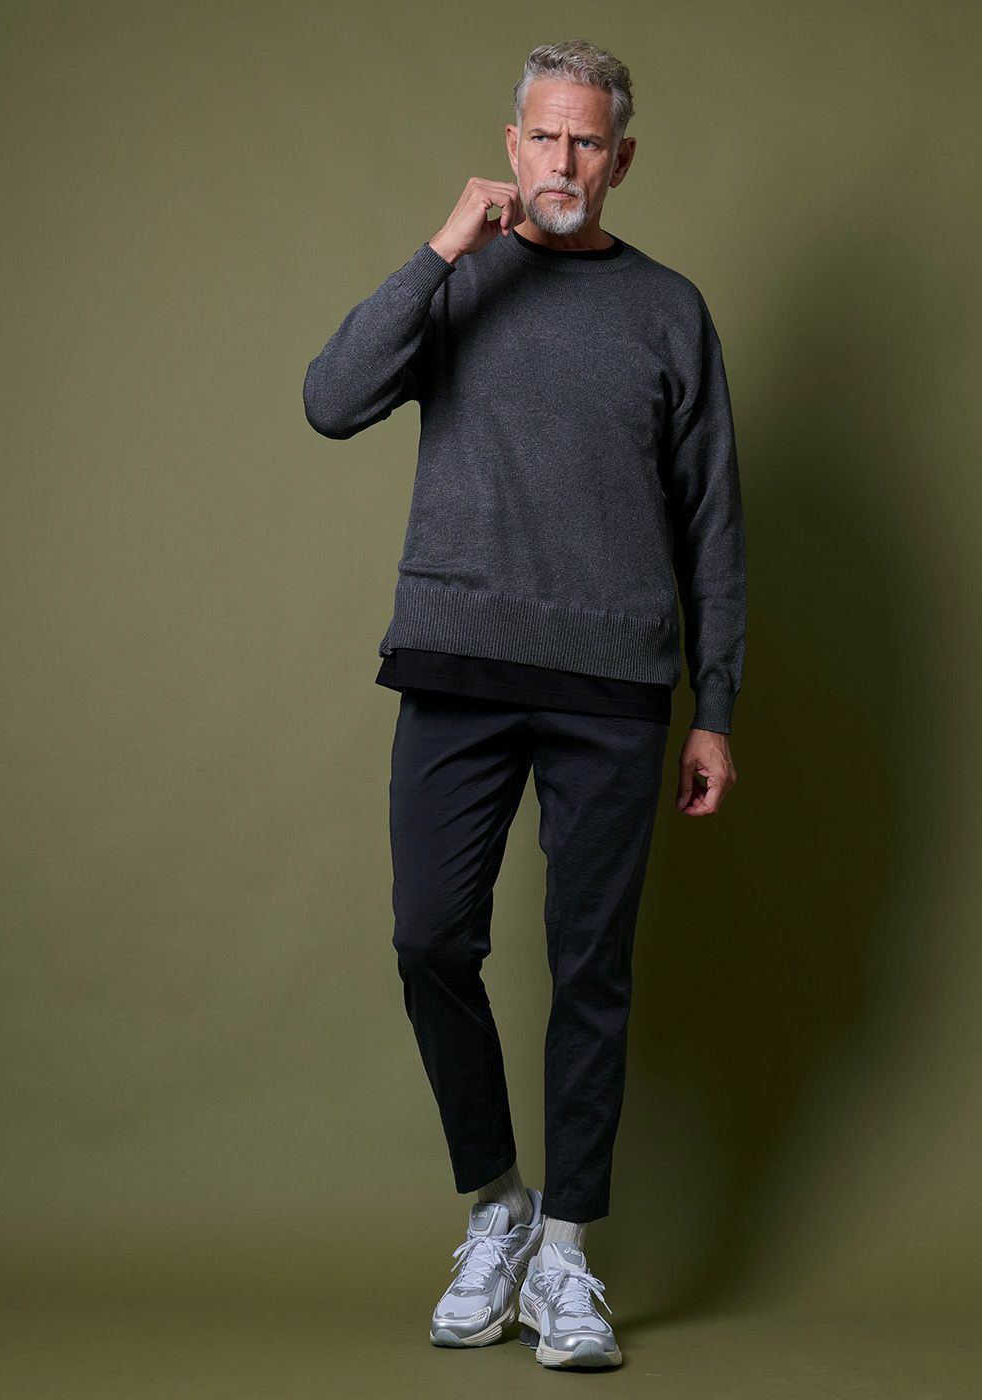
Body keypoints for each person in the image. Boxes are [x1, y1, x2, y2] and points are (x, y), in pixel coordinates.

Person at [303, 38, 746, 1371]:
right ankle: (497, 1202)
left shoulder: (669, 311)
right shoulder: (459, 281)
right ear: (512, 147)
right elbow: (330, 401)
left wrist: (715, 705)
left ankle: (564, 1252)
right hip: (457, 663)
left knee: (590, 968)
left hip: (615, 684)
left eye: (587, 140)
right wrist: (442, 248)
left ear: (621, 158)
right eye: (543, 137)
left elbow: (714, 524)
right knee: (430, 937)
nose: (563, 161)